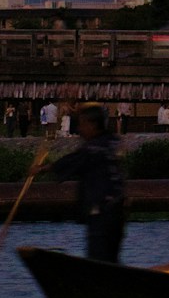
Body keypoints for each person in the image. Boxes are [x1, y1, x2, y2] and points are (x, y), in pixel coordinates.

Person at [30, 101, 127, 262]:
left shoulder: (93, 149)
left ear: (92, 124)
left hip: (102, 214)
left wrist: (41, 169)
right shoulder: (111, 141)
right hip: (116, 214)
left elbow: (72, 161)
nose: (80, 129)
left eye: (82, 124)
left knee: (100, 257)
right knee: (109, 258)